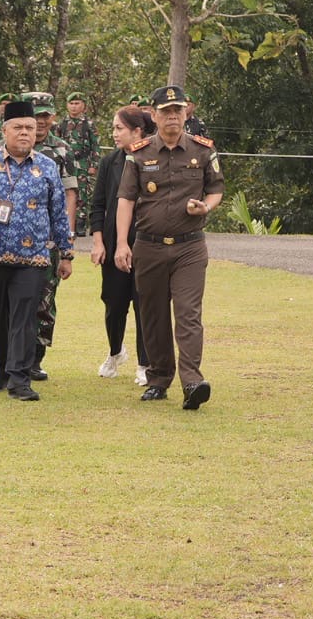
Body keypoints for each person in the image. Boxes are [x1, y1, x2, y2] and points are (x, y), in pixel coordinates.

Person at [0, 98, 74, 401]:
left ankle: (20, 378)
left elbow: (59, 213)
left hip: (32, 257)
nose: (25, 133)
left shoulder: (46, 167)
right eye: (18, 127)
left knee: (25, 315)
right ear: (4, 131)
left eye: (30, 128)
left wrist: (66, 253)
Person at [115, 84, 224, 410]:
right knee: (153, 315)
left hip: (189, 248)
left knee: (188, 314)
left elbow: (216, 189)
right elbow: (126, 200)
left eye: (177, 111)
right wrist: (122, 242)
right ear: (153, 115)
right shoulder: (139, 152)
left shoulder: (203, 150)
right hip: (148, 247)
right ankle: (159, 378)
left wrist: (206, 206)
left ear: (185, 112)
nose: (172, 117)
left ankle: (192, 381)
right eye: (165, 112)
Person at [90, 105, 152, 383]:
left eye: (119, 128)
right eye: (113, 128)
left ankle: (145, 363)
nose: (114, 134)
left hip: (147, 244)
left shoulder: (152, 159)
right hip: (115, 244)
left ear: (137, 131)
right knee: (114, 304)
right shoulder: (110, 162)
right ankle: (115, 351)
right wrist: (98, 242)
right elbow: (98, 205)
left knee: (144, 304)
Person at [24, 92, 78, 380]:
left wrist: (66, 240)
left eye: (45, 115)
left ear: (53, 117)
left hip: (49, 241)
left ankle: (35, 357)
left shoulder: (61, 150)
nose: (41, 121)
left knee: (45, 299)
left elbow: (71, 195)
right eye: (36, 115)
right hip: (16, 239)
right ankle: (12, 356)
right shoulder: (5, 147)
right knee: (15, 299)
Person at [57, 92, 100, 235]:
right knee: (65, 192)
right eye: (71, 103)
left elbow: (96, 146)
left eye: (77, 103)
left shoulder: (89, 124)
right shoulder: (61, 124)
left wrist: (94, 165)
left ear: (83, 106)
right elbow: (56, 144)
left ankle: (81, 223)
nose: (74, 107)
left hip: (83, 163)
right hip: (65, 164)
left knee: (83, 193)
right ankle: (67, 223)